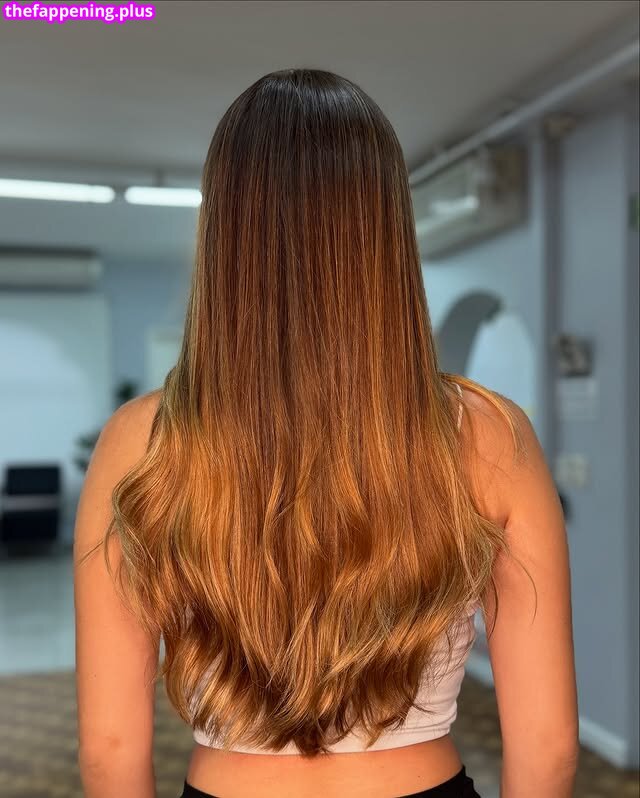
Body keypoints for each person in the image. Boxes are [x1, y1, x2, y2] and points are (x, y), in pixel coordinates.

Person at [74, 69, 579, 798]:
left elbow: (109, 753)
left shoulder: (140, 439)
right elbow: (549, 749)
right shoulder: (491, 434)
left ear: (224, 229)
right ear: (386, 227)